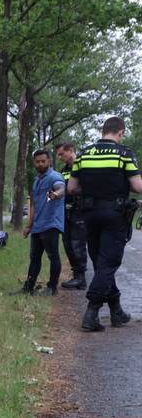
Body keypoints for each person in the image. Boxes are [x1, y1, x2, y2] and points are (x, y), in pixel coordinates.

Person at [67, 116, 142, 331]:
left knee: (101, 263)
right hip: (114, 215)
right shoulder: (124, 154)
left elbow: (72, 188)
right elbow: (137, 186)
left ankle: (117, 310)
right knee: (108, 264)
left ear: (103, 131)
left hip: (89, 214)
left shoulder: (83, 154)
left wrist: (93, 190)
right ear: (120, 132)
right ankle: (91, 311)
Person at [21, 149, 65, 295]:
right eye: (37, 161)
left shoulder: (54, 177)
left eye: (43, 161)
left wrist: (56, 194)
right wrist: (29, 226)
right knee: (34, 258)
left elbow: (61, 188)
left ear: (49, 161)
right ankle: (28, 287)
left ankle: (52, 288)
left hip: (51, 223)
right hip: (38, 225)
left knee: (53, 256)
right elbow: (34, 204)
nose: (40, 164)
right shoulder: (36, 181)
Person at [57, 143, 89, 289]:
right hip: (66, 211)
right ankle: (76, 275)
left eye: (61, 154)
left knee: (78, 244)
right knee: (67, 243)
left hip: (79, 210)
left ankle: (81, 278)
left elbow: (88, 186)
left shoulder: (83, 166)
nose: (60, 157)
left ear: (70, 151)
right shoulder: (64, 171)